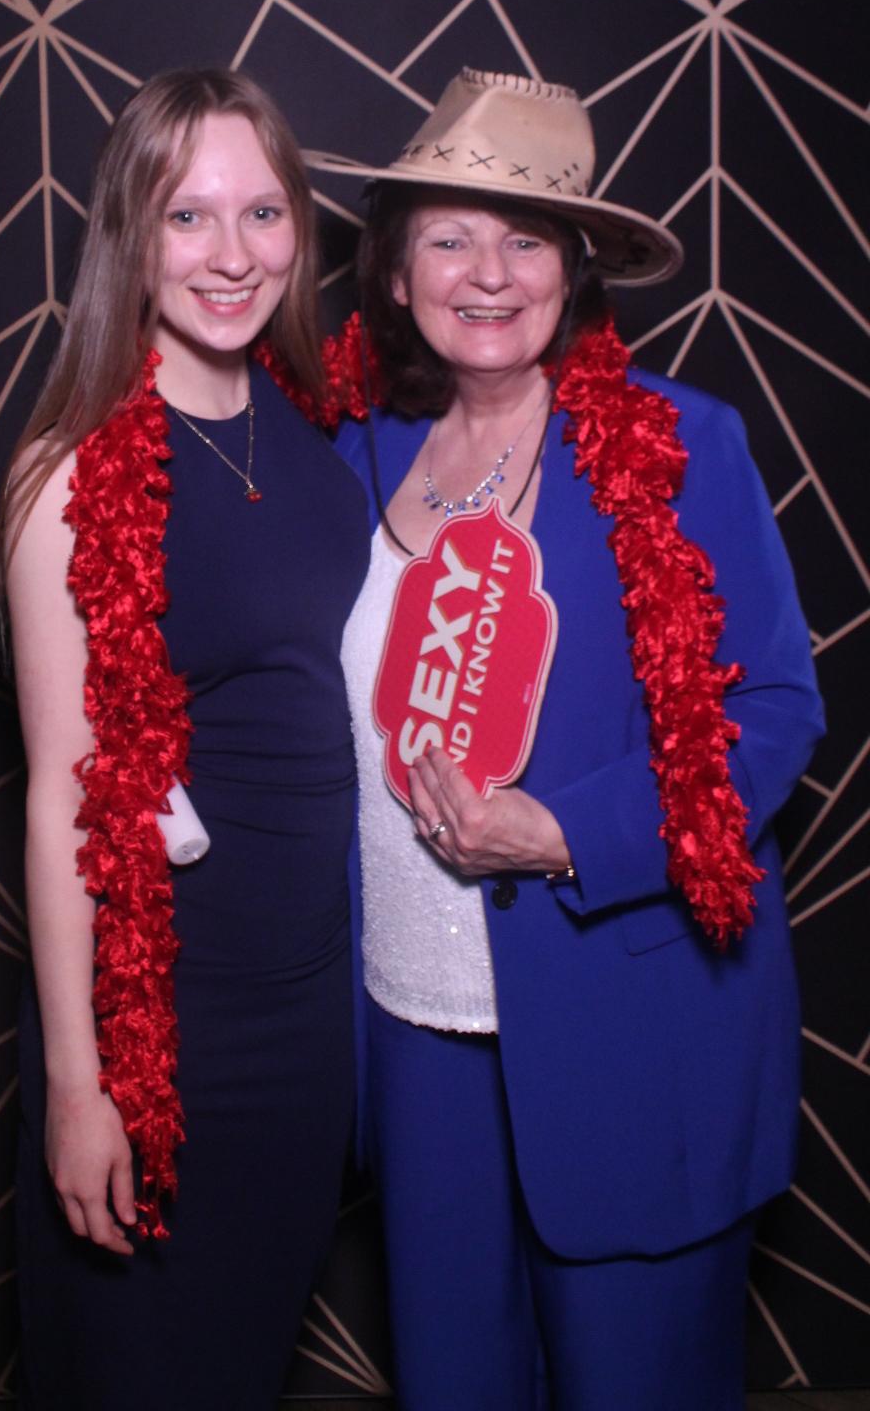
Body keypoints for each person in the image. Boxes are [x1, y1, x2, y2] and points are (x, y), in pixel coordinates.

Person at [305, 68, 824, 1411]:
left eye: (527, 239)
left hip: (630, 1031)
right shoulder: (349, 451)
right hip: (413, 1037)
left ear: (575, 271)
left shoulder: (683, 448)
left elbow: (775, 711)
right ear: (397, 270)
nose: (489, 273)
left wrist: (568, 831)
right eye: (450, 237)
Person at [0, 67, 369, 1411]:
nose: (232, 254)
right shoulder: (71, 470)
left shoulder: (314, 439)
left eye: (263, 212)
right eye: (188, 215)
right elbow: (61, 794)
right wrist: (79, 1087)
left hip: (308, 1019)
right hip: (163, 1025)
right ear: (131, 234)